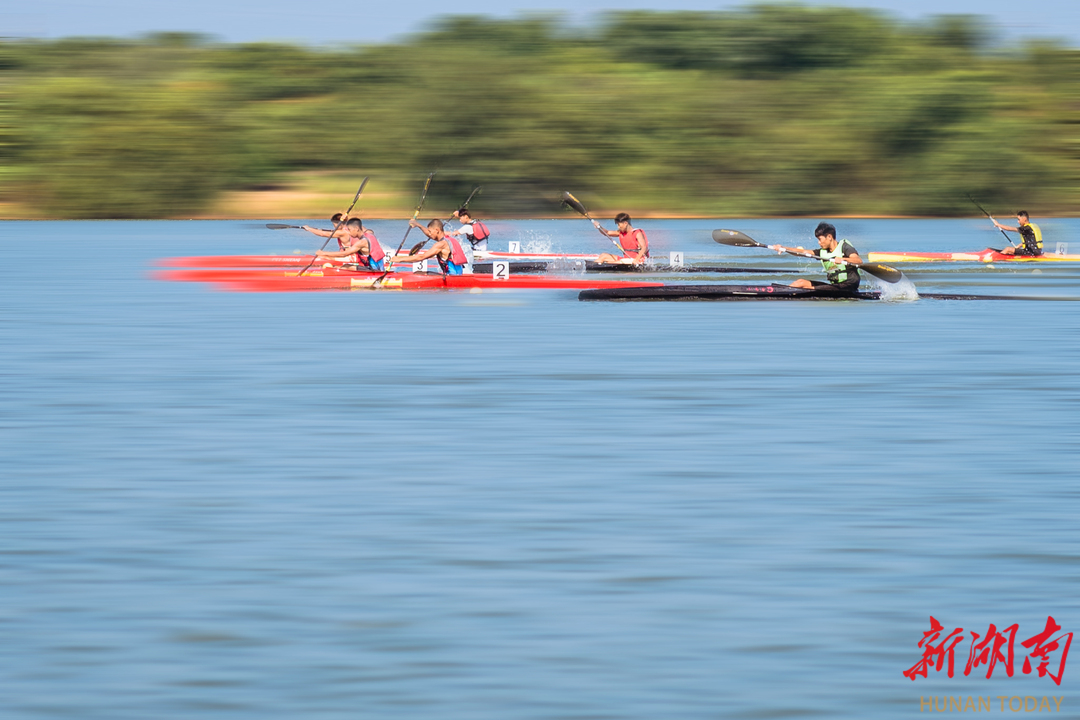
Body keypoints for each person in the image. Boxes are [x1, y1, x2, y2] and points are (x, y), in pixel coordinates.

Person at [768, 222, 862, 295]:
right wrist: (783, 248)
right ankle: (779, 292)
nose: (819, 243)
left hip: (848, 287)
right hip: (835, 286)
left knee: (807, 288)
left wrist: (843, 259)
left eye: (820, 239)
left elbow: (858, 260)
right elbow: (802, 252)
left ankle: (783, 293)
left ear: (829, 237)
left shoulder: (844, 247)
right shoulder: (822, 252)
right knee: (800, 282)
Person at [390, 218, 469, 275]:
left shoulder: (440, 244)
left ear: (437, 230)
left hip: (451, 278)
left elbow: (421, 257)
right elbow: (429, 234)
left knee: (418, 273)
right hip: (457, 276)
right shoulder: (449, 239)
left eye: (430, 231)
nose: (429, 234)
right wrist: (418, 225)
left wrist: (399, 259)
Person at [304, 218, 386, 270]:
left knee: (345, 267)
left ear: (356, 228)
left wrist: (323, 253)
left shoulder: (361, 242)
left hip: (374, 270)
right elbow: (361, 226)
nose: (348, 233)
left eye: (349, 230)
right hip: (379, 267)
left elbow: (344, 254)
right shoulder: (370, 234)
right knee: (345, 266)